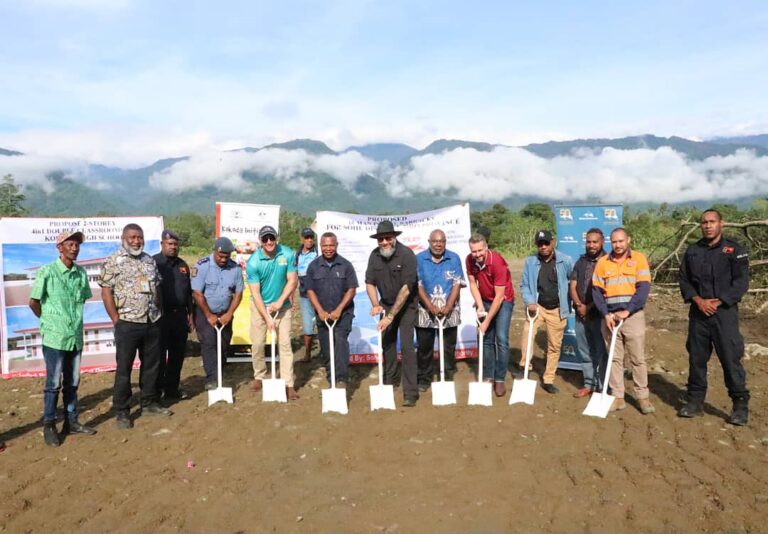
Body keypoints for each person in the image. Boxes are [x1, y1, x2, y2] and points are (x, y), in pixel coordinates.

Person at [678, 209, 750, 425]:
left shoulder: (734, 250)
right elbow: (684, 280)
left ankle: (739, 405)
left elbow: (741, 282)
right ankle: (695, 402)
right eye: (704, 222)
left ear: (721, 224)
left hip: (724, 314)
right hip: (698, 314)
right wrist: (699, 300)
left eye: (712, 221)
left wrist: (718, 301)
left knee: (730, 358)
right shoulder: (692, 251)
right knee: (697, 359)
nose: (708, 225)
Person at [99, 223, 171, 430]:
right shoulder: (114, 261)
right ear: (123, 238)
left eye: (139, 237)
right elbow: (106, 292)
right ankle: (122, 411)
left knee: (151, 366)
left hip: (151, 322)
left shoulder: (149, 260)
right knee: (124, 369)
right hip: (128, 323)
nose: (136, 241)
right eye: (132, 237)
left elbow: (157, 286)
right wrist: (116, 319)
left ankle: (149, 403)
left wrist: (159, 312)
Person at [29, 230, 96, 446]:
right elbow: (34, 302)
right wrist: (49, 321)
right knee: (52, 384)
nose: (75, 248)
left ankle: (72, 422)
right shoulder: (46, 272)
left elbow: (83, 300)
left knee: (73, 383)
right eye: (70, 244)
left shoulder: (81, 273)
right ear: (59, 247)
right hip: (54, 337)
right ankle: (49, 425)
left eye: (77, 244)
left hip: (74, 336)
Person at [592, 227, 655, 414]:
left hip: (632, 317)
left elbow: (643, 289)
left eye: (621, 241)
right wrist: (605, 313)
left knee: (637, 358)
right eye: (614, 241)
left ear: (628, 240)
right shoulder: (603, 262)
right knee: (614, 359)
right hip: (610, 319)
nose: (618, 245)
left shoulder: (639, 259)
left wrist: (627, 311)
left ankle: (643, 397)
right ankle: (618, 397)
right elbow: (596, 291)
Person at [365, 220, 419, 406]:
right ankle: (389, 382)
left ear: (394, 237)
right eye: (381, 239)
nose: (384, 242)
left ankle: (410, 392)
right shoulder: (374, 256)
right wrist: (375, 304)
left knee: (406, 347)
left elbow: (406, 290)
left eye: (388, 238)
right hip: (386, 305)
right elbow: (370, 282)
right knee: (387, 344)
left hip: (406, 307)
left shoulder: (407, 255)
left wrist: (390, 316)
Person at [246, 225, 300, 399]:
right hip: (260, 306)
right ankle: (259, 375)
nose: (269, 242)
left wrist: (280, 302)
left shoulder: (287, 254)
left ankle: (288, 383)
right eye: (265, 239)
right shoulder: (253, 262)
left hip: (282, 307)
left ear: (276, 238)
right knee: (258, 343)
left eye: (271, 238)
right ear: (260, 241)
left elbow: (292, 281)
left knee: (284, 345)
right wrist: (267, 317)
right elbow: (255, 293)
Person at [519, 230, 574, 394]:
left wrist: (574, 300)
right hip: (537, 307)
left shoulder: (566, 261)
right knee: (527, 334)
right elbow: (525, 285)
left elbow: (573, 281)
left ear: (553, 242)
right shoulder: (530, 262)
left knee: (554, 346)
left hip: (557, 309)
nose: (543, 247)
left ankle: (548, 379)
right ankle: (525, 369)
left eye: (546, 243)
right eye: (539, 244)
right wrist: (530, 302)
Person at [305, 232, 358, 388]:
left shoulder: (346, 265)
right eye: (325, 245)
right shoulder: (313, 266)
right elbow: (310, 291)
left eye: (331, 245)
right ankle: (332, 379)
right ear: (320, 246)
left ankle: (341, 379)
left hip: (343, 315)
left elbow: (351, 289)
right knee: (327, 348)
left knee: (340, 342)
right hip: (322, 316)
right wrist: (320, 311)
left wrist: (339, 310)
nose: (328, 248)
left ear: (336, 245)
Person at [191, 237, 244, 391]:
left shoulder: (234, 269)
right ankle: (212, 379)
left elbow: (238, 293)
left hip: (225, 312)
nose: (223, 259)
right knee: (209, 343)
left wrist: (229, 313)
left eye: (226, 257)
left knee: (223, 343)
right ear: (215, 251)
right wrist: (209, 315)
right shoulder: (202, 266)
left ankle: (220, 372)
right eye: (220, 256)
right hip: (205, 312)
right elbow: (197, 293)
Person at [466, 233, 515, 397]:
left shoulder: (497, 263)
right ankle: (488, 375)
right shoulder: (469, 260)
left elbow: (500, 296)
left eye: (480, 250)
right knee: (486, 339)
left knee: (501, 338)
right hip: (486, 299)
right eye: (474, 251)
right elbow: (473, 284)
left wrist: (486, 321)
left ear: (486, 247)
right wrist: (480, 305)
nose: (477, 254)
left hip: (504, 300)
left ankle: (499, 378)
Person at [416, 229, 465, 391]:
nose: (438, 244)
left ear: (445, 242)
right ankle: (424, 378)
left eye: (442, 241)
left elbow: (457, 284)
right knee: (424, 347)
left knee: (448, 347)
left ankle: (448, 375)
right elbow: (418, 285)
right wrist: (430, 307)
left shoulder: (454, 258)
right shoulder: (419, 259)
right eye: (435, 241)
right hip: (425, 310)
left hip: (450, 309)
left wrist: (448, 306)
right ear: (429, 242)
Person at [569, 228, 609, 398]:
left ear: (602, 242)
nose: (591, 245)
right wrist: (579, 305)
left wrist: (588, 307)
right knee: (585, 352)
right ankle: (588, 384)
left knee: (601, 352)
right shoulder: (581, 261)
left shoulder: (608, 262)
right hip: (580, 314)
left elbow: (606, 291)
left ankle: (602, 386)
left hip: (598, 315)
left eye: (595, 242)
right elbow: (572, 284)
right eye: (589, 242)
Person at [153, 230, 193, 400]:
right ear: (162, 244)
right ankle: (157, 390)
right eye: (170, 244)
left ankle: (172, 389)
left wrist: (191, 314)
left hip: (179, 317)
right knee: (159, 356)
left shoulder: (182, 265)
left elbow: (188, 292)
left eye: (176, 244)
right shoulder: (153, 263)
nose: (173, 247)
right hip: (161, 317)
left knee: (177, 355)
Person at [295, 227, 318, 362]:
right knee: (307, 325)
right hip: (304, 294)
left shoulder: (317, 252)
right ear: (302, 239)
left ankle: (326, 352)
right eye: (307, 237)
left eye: (311, 237)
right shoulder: (297, 254)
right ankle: (308, 353)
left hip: (318, 293)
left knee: (322, 322)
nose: (309, 240)